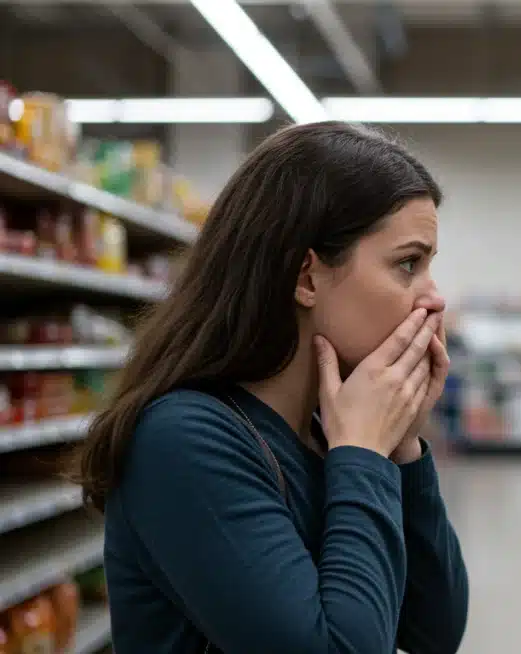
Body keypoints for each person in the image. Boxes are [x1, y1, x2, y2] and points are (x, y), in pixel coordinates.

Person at [70, 122, 469, 653]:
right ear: (306, 277)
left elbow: (432, 632)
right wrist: (364, 455)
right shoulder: (184, 440)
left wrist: (402, 450)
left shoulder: (325, 433)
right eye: (407, 264)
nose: (433, 299)